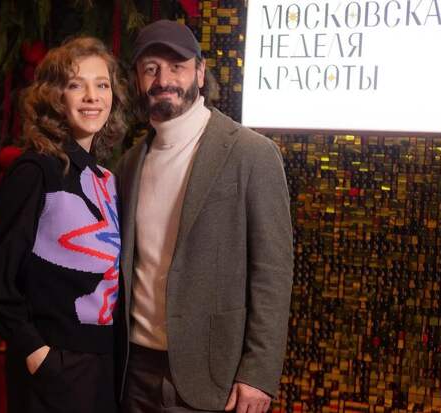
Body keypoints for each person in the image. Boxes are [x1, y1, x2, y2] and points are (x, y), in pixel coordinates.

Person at [116, 19, 294, 413]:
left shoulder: (251, 153)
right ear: (138, 80)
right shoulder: (129, 164)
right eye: (151, 69)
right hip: (133, 370)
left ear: (199, 73)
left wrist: (258, 373)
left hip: (214, 376)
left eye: (176, 66)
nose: (164, 80)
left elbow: (273, 272)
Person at [0, 36, 127, 413]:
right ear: (55, 97)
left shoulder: (107, 180)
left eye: (102, 85)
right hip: (54, 365)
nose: (92, 97)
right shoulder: (35, 171)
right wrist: (37, 354)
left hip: (107, 367)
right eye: (76, 85)